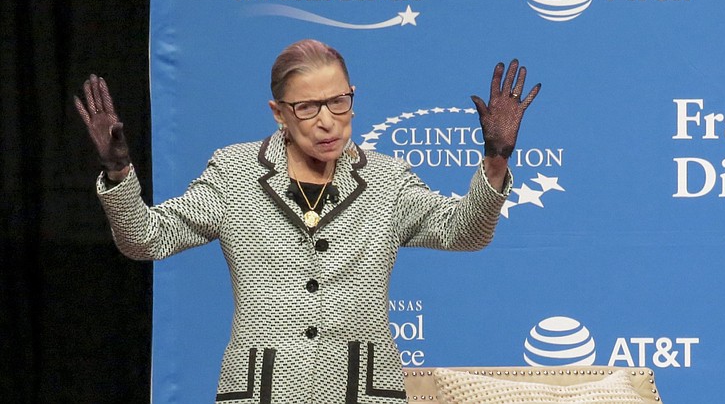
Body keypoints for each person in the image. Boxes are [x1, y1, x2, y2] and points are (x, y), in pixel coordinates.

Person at [75, 39, 541, 403]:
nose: (328, 122)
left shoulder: (386, 179)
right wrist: (119, 172)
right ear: (279, 113)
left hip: (364, 390)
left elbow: (466, 232)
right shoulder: (235, 174)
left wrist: (496, 160)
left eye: (339, 102)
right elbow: (145, 239)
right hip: (263, 390)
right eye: (308, 107)